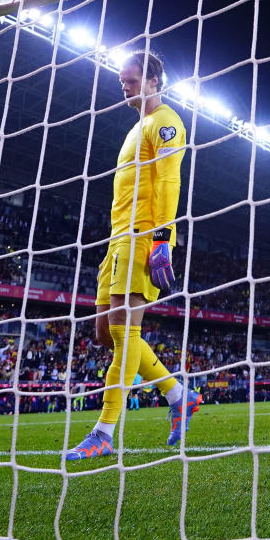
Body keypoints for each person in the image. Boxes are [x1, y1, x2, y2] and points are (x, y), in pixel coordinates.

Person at [67, 51, 200, 461]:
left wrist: (163, 238)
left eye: (130, 79)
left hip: (143, 237)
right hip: (116, 238)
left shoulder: (166, 123)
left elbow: (169, 182)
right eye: (121, 79)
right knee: (105, 333)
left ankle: (104, 430)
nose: (122, 85)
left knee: (125, 331)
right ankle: (179, 395)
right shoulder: (137, 126)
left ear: (154, 80)